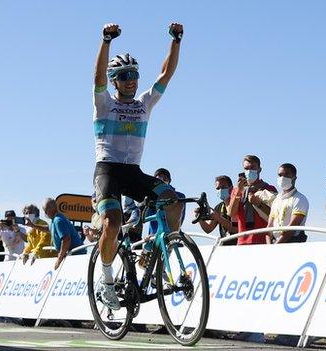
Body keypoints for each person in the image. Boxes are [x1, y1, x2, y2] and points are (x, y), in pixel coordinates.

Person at [92, 22, 184, 310]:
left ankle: (163, 249)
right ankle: (106, 281)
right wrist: (106, 41)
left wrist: (176, 40)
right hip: (108, 170)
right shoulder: (104, 104)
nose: (132, 80)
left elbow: (166, 74)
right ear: (115, 80)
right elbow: (97, 78)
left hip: (133, 171)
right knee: (113, 222)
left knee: (172, 198)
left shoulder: (145, 103)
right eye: (125, 76)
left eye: (135, 75)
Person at [227, 155, 278, 245]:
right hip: (242, 240)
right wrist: (238, 192)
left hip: (262, 240)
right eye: (246, 168)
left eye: (253, 167)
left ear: (259, 169)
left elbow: (275, 216)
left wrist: (259, 205)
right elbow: (231, 213)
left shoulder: (269, 189)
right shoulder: (237, 190)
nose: (249, 171)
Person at [266, 163, 309, 244]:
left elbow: (291, 229)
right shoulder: (276, 200)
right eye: (280, 175)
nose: (282, 178)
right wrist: (269, 247)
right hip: (274, 244)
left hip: (292, 244)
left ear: (294, 178)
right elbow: (269, 228)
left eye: (286, 174)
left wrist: (276, 246)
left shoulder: (300, 199)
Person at [43, 198, 86, 270]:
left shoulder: (58, 220)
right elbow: (49, 229)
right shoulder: (55, 219)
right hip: (72, 255)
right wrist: (33, 225)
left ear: (51, 209)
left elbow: (66, 239)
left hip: (76, 256)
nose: (45, 213)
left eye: (45, 210)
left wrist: (59, 258)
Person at [195, 175, 237, 245]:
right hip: (225, 246)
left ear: (231, 188)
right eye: (218, 188)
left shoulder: (238, 204)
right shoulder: (219, 207)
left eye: (223, 187)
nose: (220, 190)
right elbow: (208, 229)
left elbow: (237, 229)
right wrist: (199, 217)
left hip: (239, 245)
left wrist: (218, 218)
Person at [146, 168, 186, 236]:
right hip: (154, 236)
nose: (162, 181)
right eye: (159, 180)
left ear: (169, 180)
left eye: (165, 179)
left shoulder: (180, 196)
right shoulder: (150, 196)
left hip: (173, 233)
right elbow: (146, 216)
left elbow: (181, 217)